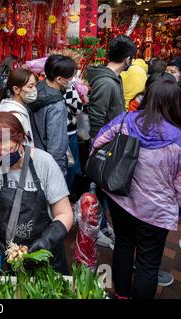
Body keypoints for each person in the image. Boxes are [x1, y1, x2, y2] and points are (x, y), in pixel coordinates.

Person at [92, 73, 180, 299]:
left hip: (120, 199)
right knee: (148, 264)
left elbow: (98, 144)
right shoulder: (178, 138)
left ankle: (121, 294)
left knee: (123, 245)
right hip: (155, 212)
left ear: (147, 95)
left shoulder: (125, 120)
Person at [0, 112, 73, 274]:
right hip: (4, 256)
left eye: (8, 149)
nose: (2, 156)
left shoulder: (44, 163)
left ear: (19, 137)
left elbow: (65, 213)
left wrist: (46, 242)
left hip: (44, 255)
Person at [87, 35, 137, 249]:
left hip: (107, 142)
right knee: (98, 188)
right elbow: (96, 117)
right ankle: (94, 228)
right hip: (104, 145)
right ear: (127, 59)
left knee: (102, 189)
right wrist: (99, 146)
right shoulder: (107, 82)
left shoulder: (111, 79)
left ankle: (102, 225)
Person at [29, 54, 77, 176]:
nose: (72, 79)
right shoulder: (57, 105)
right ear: (59, 79)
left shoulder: (37, 88)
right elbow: (57, 145)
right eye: (71, 76)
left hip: (32, 155)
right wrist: (58, 174)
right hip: (47, 163)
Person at [0, 68, 37, 145]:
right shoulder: (14, 116)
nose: (35, 89)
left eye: (35, 85)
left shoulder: (20, 108)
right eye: (30, 86)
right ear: (16, 89)